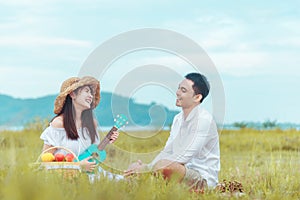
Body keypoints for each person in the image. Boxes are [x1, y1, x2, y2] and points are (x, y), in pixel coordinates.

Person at [124, 72, 220, 191]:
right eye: (179, 88)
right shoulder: (178, 119)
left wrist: (147, 169)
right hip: (179, 172)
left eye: (183, 90)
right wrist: (147, 167)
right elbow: (168, 150)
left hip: (202, 179)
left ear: (197, 97)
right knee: (135, 166)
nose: (178, 92)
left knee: (163, 165)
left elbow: (184, 156)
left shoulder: (204, 120)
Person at [40, 76, 119, 173]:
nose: (91, 96)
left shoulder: (92, 123)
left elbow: (91, 154)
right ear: (73, 94)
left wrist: (107, 141)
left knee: (129, 178)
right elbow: (44, 163)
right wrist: (77, 166)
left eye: (91, 92)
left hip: (92, 175)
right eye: (86, 91)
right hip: (67, 177)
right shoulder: (59, 124)